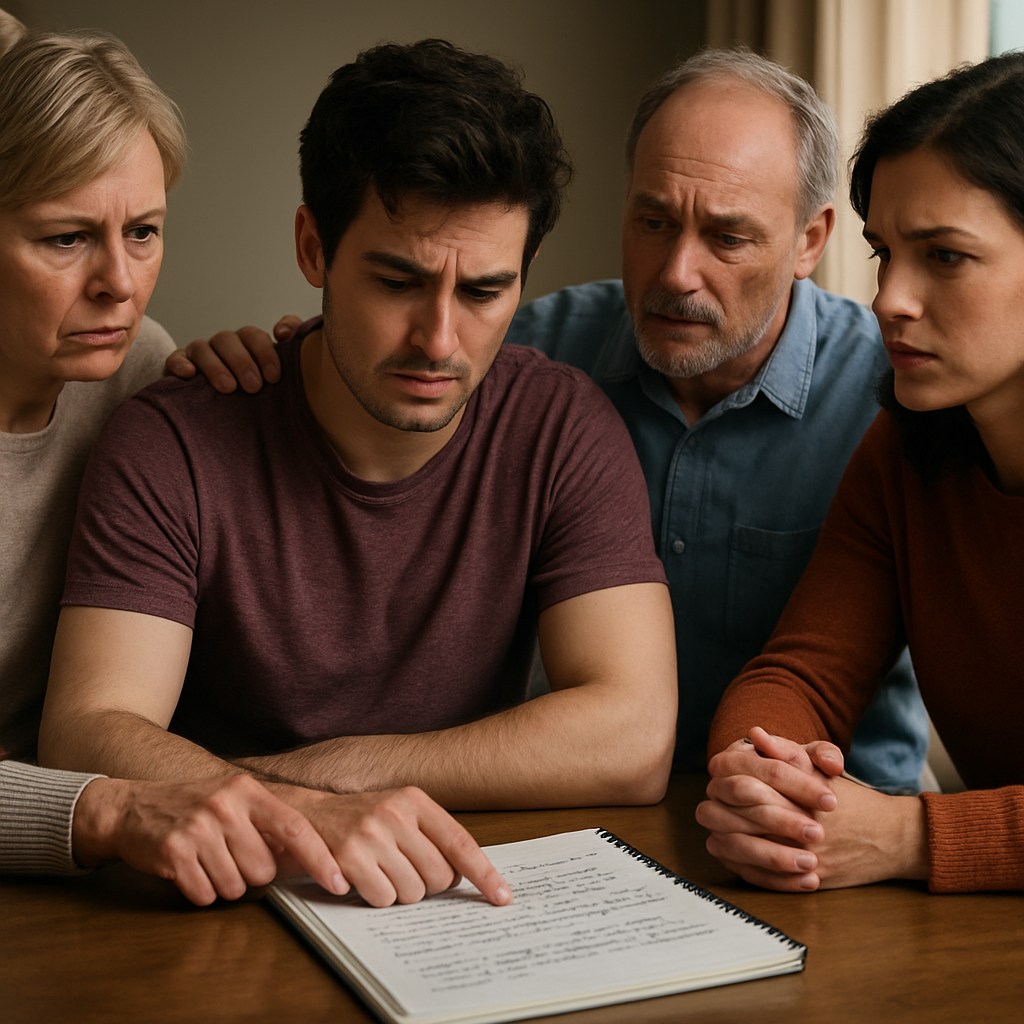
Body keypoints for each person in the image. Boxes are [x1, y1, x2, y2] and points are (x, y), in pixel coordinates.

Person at [182, 49, 928, 791]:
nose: (675, 273)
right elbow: (391, 356)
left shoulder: (897, 398)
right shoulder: (534, 356)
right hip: (573, 813)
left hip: (834, 815)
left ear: (810, 240)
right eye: (653, 220)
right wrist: (272, 365)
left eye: (727, 238)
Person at [38, 41, 677, 812]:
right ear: (314, 248)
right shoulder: (171, 440)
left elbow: (634, 739)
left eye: (483, 291)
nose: (439, 340)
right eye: (398, 281)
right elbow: (87, 731)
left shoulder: (563, 428)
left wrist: (341, 779)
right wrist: (317, 818)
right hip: (220, 887)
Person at [0, 16, 510, 909]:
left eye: (145, 231)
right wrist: (107, 809)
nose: (118, 282)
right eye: (64, 238)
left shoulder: (138, 366)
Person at [699, 52, 1024, 893]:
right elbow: (800, 673)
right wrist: (763, 779)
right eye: (884, 252)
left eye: (945, 256)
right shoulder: (908, 451)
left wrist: (912, 837)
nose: (889, 299)